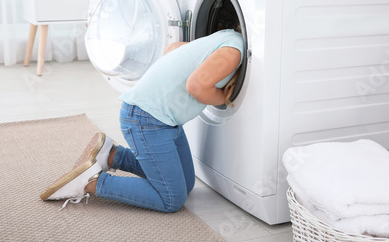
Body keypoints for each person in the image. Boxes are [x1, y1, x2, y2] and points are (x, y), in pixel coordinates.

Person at [40, 28, 244, 212]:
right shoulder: (234, 51)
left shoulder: (224, 38)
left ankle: (112, 156)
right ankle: (90, 182)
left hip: (164, 121)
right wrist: (225, 98)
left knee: (186, 184)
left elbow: (172, 48)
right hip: (147, 121)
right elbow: (195, 86)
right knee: (172, 198)